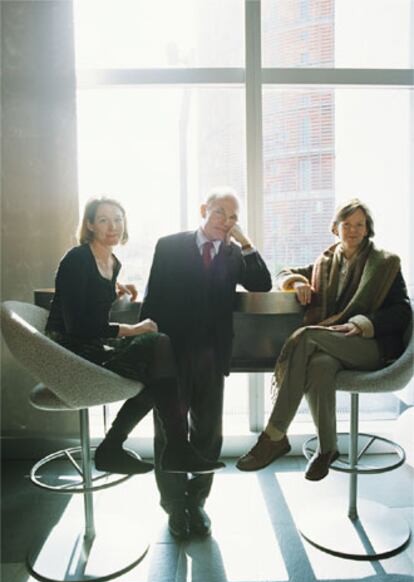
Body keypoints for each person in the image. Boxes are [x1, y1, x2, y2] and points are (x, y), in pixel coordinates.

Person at [46, 197, 223, 476]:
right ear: (90, 225)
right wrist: (134, 329)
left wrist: (115, 287)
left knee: (160, 365)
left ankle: (118, 448)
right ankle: (170, 448)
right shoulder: (77, 258)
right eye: (103, 220)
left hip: (91, 346)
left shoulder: (111, 261)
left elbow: (91, 294)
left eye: (118, 219)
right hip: (69, 352)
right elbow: (79, 326)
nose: (112, 226)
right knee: (158, 344)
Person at [237, 198, 411, 481]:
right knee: (318, 364)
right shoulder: (326, 262)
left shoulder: (385, 264)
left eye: (359, 225)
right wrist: (298, 283)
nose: (353, 230)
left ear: (367, 230)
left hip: (373, 346)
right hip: (334, 343)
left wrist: (364, 323)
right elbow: (283, 272)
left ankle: (274, 435)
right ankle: (328, 449)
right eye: (347, 224)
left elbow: (403, 311)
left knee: (305, 338)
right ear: (335, 228)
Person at [140, 187, 272, 539]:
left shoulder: (232, 253)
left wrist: (244, 242)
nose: (226, 222)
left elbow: (262, 282)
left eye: (233, 218)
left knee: (208, 433)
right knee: (168, 433)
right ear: (203, 209)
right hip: (170, 355)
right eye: (219, 214)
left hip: (212, 357)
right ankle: (174, 508)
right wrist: (148, 354)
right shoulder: (169, 245)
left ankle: (197, 503)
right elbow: (151, 301)